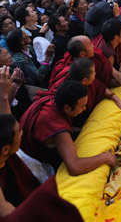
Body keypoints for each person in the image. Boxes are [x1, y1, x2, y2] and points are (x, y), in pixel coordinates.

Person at [0, 69, 83, 222]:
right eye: (19, 132)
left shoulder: (5, 148)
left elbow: (6, 120)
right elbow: (10, 212)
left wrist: (4, 97)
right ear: (5, 150)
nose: (22, 133)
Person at [20, 80, 117, 175]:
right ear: (67, 108)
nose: (84, 109)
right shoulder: (57, 127)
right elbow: (74, 167)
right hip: (31, 161)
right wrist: (106, 157)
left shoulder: (54, 100)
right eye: (82, 106)